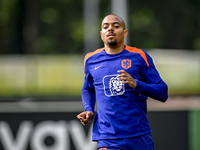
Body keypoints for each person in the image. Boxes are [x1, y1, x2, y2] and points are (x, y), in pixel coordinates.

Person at [77, 14, 168, 150]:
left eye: (116, 26)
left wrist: (137, 84)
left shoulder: (139, 56)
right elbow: (88, 88)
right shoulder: (91, 60)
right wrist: (89, 109)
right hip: (108, 138)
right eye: (106, 27)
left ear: (125, 33)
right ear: (101, 34)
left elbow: (163, 92)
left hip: (138, 135)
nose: (110, 29)